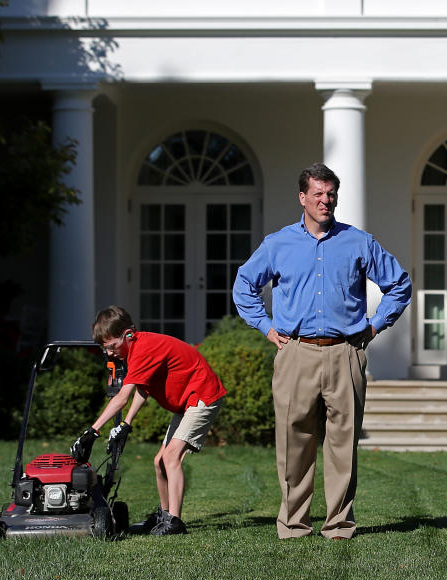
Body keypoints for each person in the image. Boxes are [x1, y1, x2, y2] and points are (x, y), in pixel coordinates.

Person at [232, 163, 411, 540]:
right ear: (302, 198)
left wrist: (376, 325)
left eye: (330, 194)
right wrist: (265, 327)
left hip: (346, 352)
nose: (325, 201)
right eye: (317, 194)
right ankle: (294, 525)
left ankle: (338, 525)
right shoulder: (278, 244)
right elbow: (244, 285)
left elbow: (399, 284)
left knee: (343, 443)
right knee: (293, 441)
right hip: (296, 352)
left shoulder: (359, 242)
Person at [70, 306, 226, 536]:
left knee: (171, 456)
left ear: (128, 334)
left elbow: (123, 396)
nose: (111, 353)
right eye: (106, 349)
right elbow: (143, 389)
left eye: (113, 346)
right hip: (187, 403)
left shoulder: (143, 348)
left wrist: (92, 431)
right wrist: (126, 424)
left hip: (203, 396)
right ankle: (164, 516)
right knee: (159, 461)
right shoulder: (136, 350)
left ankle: (175, 522)